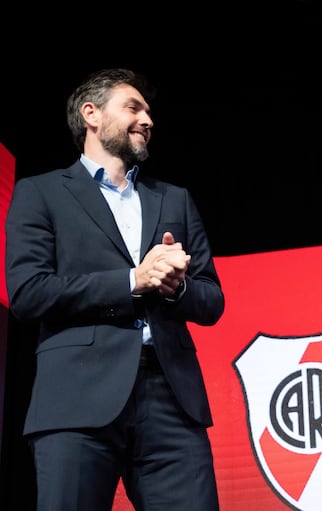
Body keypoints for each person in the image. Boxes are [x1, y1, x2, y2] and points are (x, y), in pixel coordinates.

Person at [5, 68, 225, 510]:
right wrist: (132, 281)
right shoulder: (40, 193)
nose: (148, 119)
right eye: (133, 107)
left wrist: (175, 287)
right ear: (91, 114)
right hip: (75, 400)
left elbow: (212, 300)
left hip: (170, 398)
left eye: (149, 111)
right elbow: (28, 293)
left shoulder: (174, 198)